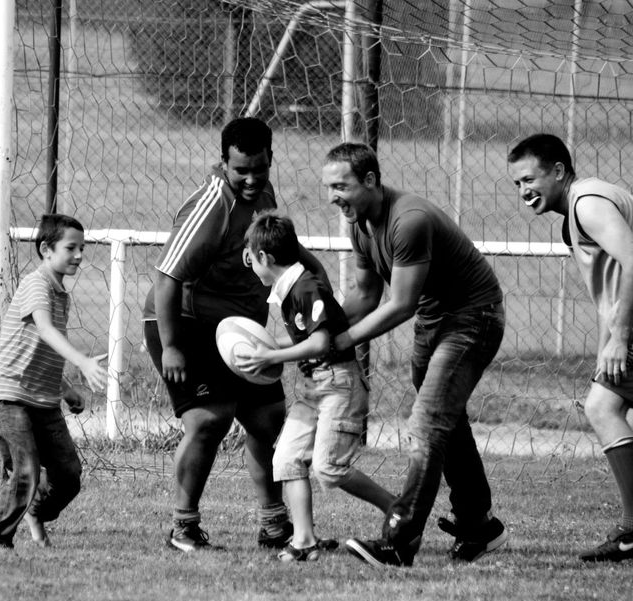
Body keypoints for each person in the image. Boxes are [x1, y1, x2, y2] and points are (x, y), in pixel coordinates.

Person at [507, 133, 633, 562]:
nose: (524, 191)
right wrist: (606, 349)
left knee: (601, 409)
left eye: (530, 179)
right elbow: (610, 295)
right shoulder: (575, 217)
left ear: (559, 171)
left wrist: (620, 338)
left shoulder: (587, 202)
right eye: (517, 185)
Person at [142, 117, 331, 552]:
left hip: (237, 328)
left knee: (267, 420)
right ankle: (183, 528)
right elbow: (167, 277)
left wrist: (315, 279)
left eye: (258, 168)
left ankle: (274, 525)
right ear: (222, 162)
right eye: (239, 169)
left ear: (270, 159)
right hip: (183, 322)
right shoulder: (211, 205)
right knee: (210, 419)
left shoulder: (264, 195)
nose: (249, 179)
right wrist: (171, 347)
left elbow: (280, 251)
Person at [321, 142, 508, 568]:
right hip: (434, 321)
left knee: (427, 424)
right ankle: (479, 525)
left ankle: (399, 540)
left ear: (370, 180)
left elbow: (399, 304)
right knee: (446, 419)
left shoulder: (409, 220)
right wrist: (320, 332)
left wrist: (342, 342)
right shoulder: (358, 225)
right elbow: (366, 295)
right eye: (329, 187)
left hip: (472, 318)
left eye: (341, 186)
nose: (334, 196)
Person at [236, 212, 396, 562]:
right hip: (314, 386)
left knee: (328, 468)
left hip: (338, 384)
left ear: (265, 258)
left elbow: (320, 343)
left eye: (251, 258)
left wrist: (270, 356)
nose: (250, 265)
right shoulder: (290, 287)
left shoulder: (306, 287)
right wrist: (263, 347)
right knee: (287, 459)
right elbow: (305, 338)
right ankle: (304, 541)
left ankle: (398, 510)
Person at [0, 214, 108, 549]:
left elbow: (42, 350)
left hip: (44, 399)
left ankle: (36, 512)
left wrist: (65, 389)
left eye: (82, 248)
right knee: (25, 472)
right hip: (9, 395)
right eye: (71, 247)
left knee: (69, 475)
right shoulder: (36, 285)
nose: (79, 255)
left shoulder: (60, 294)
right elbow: (44, 330)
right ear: (46, 249)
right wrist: (81, 360)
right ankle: (0, 541)